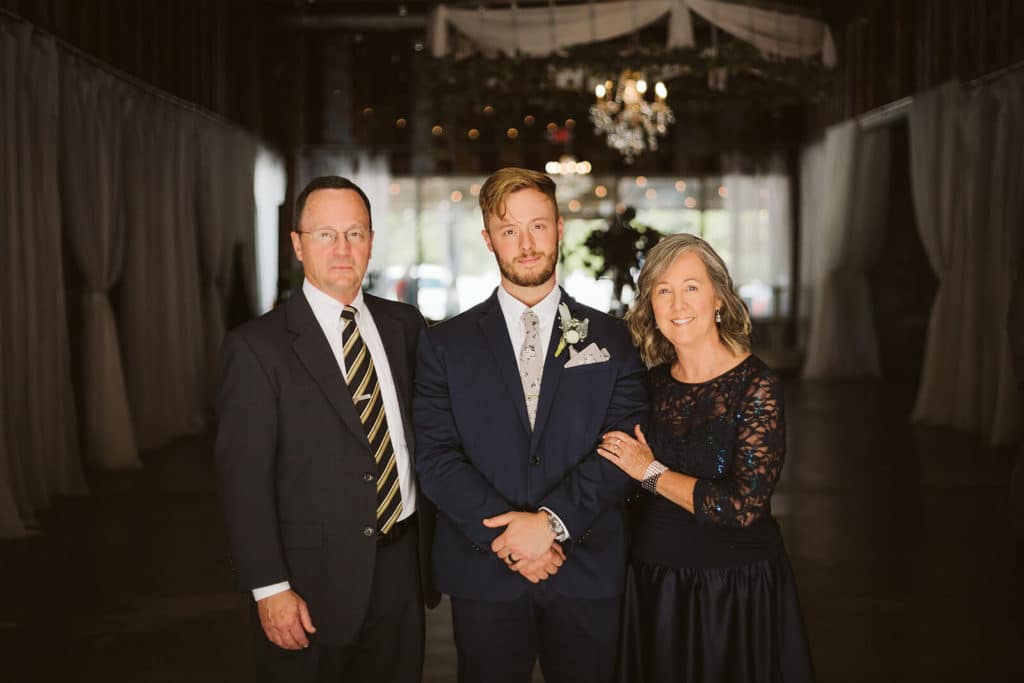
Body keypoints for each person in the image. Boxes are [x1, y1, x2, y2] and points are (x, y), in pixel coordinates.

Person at [413, 167, 648, 683]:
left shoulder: (612, 338)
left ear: (560, 228)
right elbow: (434, 455)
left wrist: (549, 524)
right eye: (509, 230)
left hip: (585, 567)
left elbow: (622, 447)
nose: (526, 244)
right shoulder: (444, 344)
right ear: (488, 239)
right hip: (485, 571)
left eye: (538, 226)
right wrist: (511, 538)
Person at [215, 176, 438, 683]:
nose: (342, 249)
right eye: (325, 235)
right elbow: (242, 482)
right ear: (297, 244)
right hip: (308, 583)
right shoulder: (256, 348)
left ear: (371, 240)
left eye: (355, 234)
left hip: (402, 568)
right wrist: (269, 588)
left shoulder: (406, 325)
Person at [597, 233, 814, 683]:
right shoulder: (646, 385)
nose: (678, 303)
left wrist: (650, 473)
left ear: (719, 298)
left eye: (691, 287)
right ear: (650, 307)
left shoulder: (756, 387)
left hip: (731, 593)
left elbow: (741, 506)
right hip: (654, 587)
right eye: (663, 290)